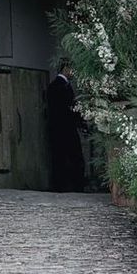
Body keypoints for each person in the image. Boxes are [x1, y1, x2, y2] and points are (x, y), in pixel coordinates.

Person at [47, 61, 85, 192]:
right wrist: (79, 122)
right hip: (64, 129)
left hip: (60, 129)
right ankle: (72, 186)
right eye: (72, 69)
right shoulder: (59, 86)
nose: (73, 73)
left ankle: (63, 186)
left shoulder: (60, 85)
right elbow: (67, 109)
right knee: (71, 157)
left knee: (61, 157)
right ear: (65, 69)